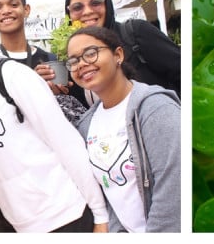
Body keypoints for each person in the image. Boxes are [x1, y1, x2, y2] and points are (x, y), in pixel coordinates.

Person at [0, 5, 109, 233]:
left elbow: (66, 143)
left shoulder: (12, 76)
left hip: (64, 215)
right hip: (19, 224)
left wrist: (100, 215)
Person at [67, 25, 181, 232]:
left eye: (90, 53)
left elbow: (174, 190)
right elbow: (109, 197)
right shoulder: (86, 125)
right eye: (73, 61)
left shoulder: (155, 109)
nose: (82, 64)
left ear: (118, 55)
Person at [62, 0, 181, 96]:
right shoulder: (74, 60)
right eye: (77, 7)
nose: (87, 11)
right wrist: (59, 90)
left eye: (95, 3)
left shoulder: (136, 32)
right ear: (69, 15)